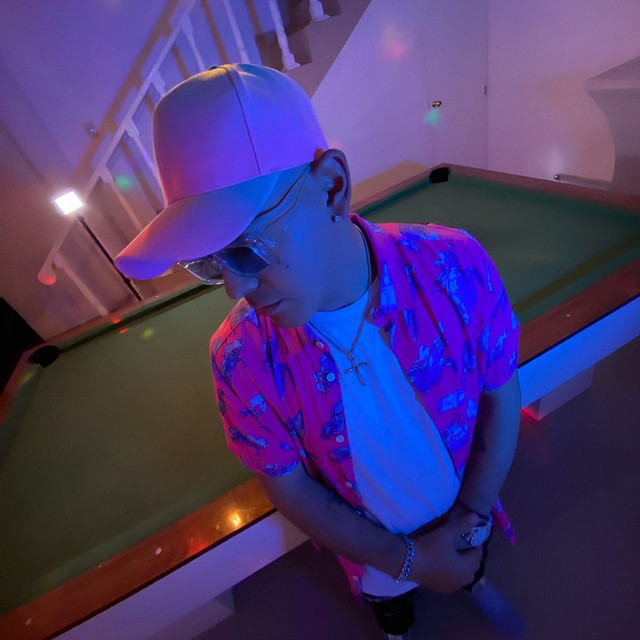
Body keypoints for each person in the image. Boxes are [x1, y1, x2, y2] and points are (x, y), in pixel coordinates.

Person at [115, 63, 523, 639]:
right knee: (391, 607)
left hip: (465, 506)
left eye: (247, 248)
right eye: (209, 262)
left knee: (470, 563)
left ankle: (474, 581)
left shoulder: (453, 265)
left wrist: (474, 514)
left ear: (332, 186)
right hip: (372, 550)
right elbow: (288, 485)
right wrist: (409, 561)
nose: (234, 286)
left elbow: (501, 392)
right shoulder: (240, 358)